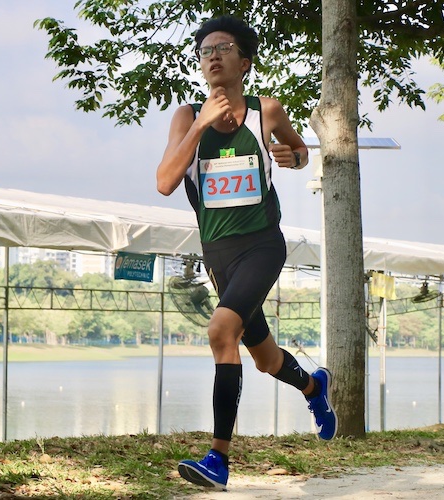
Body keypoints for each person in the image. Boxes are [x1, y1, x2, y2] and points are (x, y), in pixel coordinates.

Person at [155, 15, 338, 490]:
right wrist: (200, 125)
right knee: (264, 357)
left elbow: (300, 151)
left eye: (224, 47)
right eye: (204, 50)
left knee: (221, 331)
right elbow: (165, 182)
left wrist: (294, 157)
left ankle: (218, 459)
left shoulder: (266, 111)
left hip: (261, 244)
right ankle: (316, 387)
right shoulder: (185, 115)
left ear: (245, 62)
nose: (212, 55)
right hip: (218, 255)